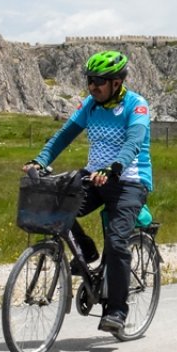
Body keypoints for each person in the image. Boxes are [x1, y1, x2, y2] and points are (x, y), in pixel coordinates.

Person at [25, 50, 154, 333]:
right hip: (94, 176)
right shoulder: (90, 105)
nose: (93, 86)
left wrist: (115, 167)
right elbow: (65, 134)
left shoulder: (137, 105)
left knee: (118, 241)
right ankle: (86, 249)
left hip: (129, 180)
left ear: (117, 83)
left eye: (99, 81)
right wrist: (41, 160)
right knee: (57, 207)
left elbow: (134, 141)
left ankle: (118, 310)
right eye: (90, 81)